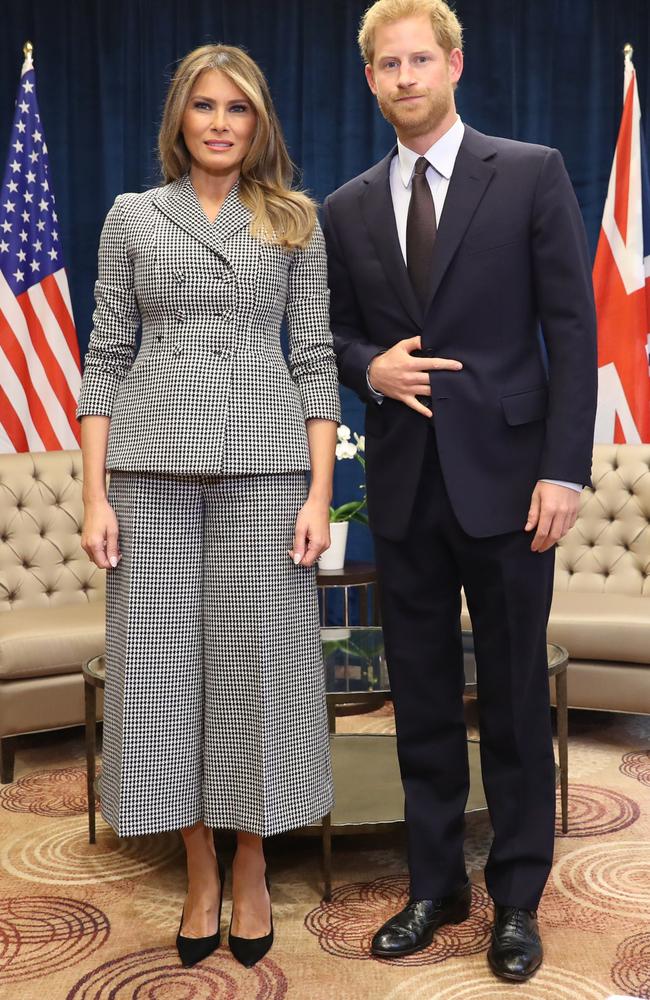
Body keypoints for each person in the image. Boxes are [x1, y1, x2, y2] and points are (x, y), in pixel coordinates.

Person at [322, 0, 596, 982]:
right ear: (369, 80)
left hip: (515, 485)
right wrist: (369, 369)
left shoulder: (525, 172)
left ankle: (515, 896)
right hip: (402, 490)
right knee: (423, 697)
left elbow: (571, 331)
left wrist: (564, 468)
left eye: (417, 59)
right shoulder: (346, 206)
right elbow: (338, 333)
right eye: (385, 64)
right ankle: (432, 883)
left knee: (516, 699)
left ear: (453, 64)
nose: (403, 76)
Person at [77, 43, 340, 969]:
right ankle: (196, 862)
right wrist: (93, 495)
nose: (221, 122)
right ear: (179, 121)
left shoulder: (294, 220)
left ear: (258, 122)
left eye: (238, 107)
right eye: (204, 106)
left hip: (267, 474)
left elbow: (314, 359)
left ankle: (256, 859)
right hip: (148, 474)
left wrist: (319, 493)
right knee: (157, 673)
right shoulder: (132, 217)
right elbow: (104, 358)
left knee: (255, 670)